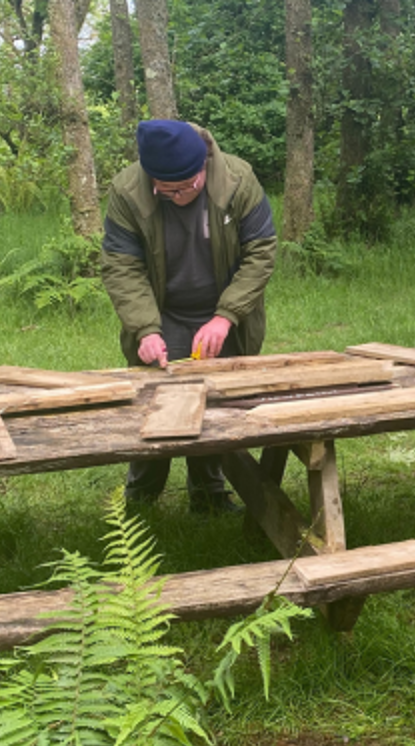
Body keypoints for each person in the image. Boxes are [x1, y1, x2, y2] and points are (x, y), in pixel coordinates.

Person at [101, 120, 276, 514]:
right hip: (162, 312)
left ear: (203, 166)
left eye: (187, 187)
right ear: (152, 178)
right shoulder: (128, 190)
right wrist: (145, 328)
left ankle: (210, 494)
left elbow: (261, 251)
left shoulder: (238, 179)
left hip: (222, 311)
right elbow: (121, 266)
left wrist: (226, 316)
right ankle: (140, 502)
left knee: (216, 408)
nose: (178, 196)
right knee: (154, 406)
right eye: (167, 190)